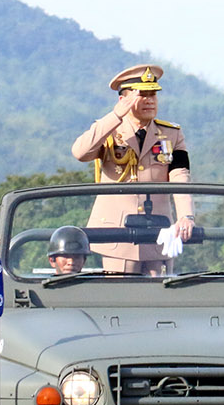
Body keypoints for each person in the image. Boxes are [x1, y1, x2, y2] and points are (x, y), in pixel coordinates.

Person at [71, 65, 194, 274]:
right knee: (121, 298)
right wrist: (114, 117)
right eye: (142, 95)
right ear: (123, 100)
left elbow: (180, 175)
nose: (150, 100)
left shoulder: (171, 134)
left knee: (160, 298)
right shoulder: (108, 130)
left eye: (153, 94)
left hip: (158, 230)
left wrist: (186, 216)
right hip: (117, 234)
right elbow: (80, 153)